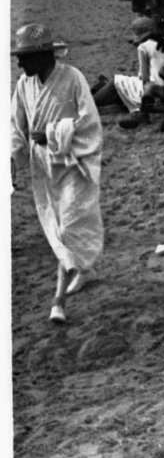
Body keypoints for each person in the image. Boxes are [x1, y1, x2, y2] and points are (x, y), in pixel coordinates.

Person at [10, 24, 105, 324]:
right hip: (43, 167)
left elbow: (90, 122)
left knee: (69, 226)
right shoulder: (24, 85)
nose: (20, 64)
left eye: (25, 57)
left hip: (73, 161)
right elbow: (15, 124)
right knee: (57, 224)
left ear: (43, 55)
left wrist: (52, 133)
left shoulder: (73, 78)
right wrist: (13, 157)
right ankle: (84, 270)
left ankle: (58, 300)